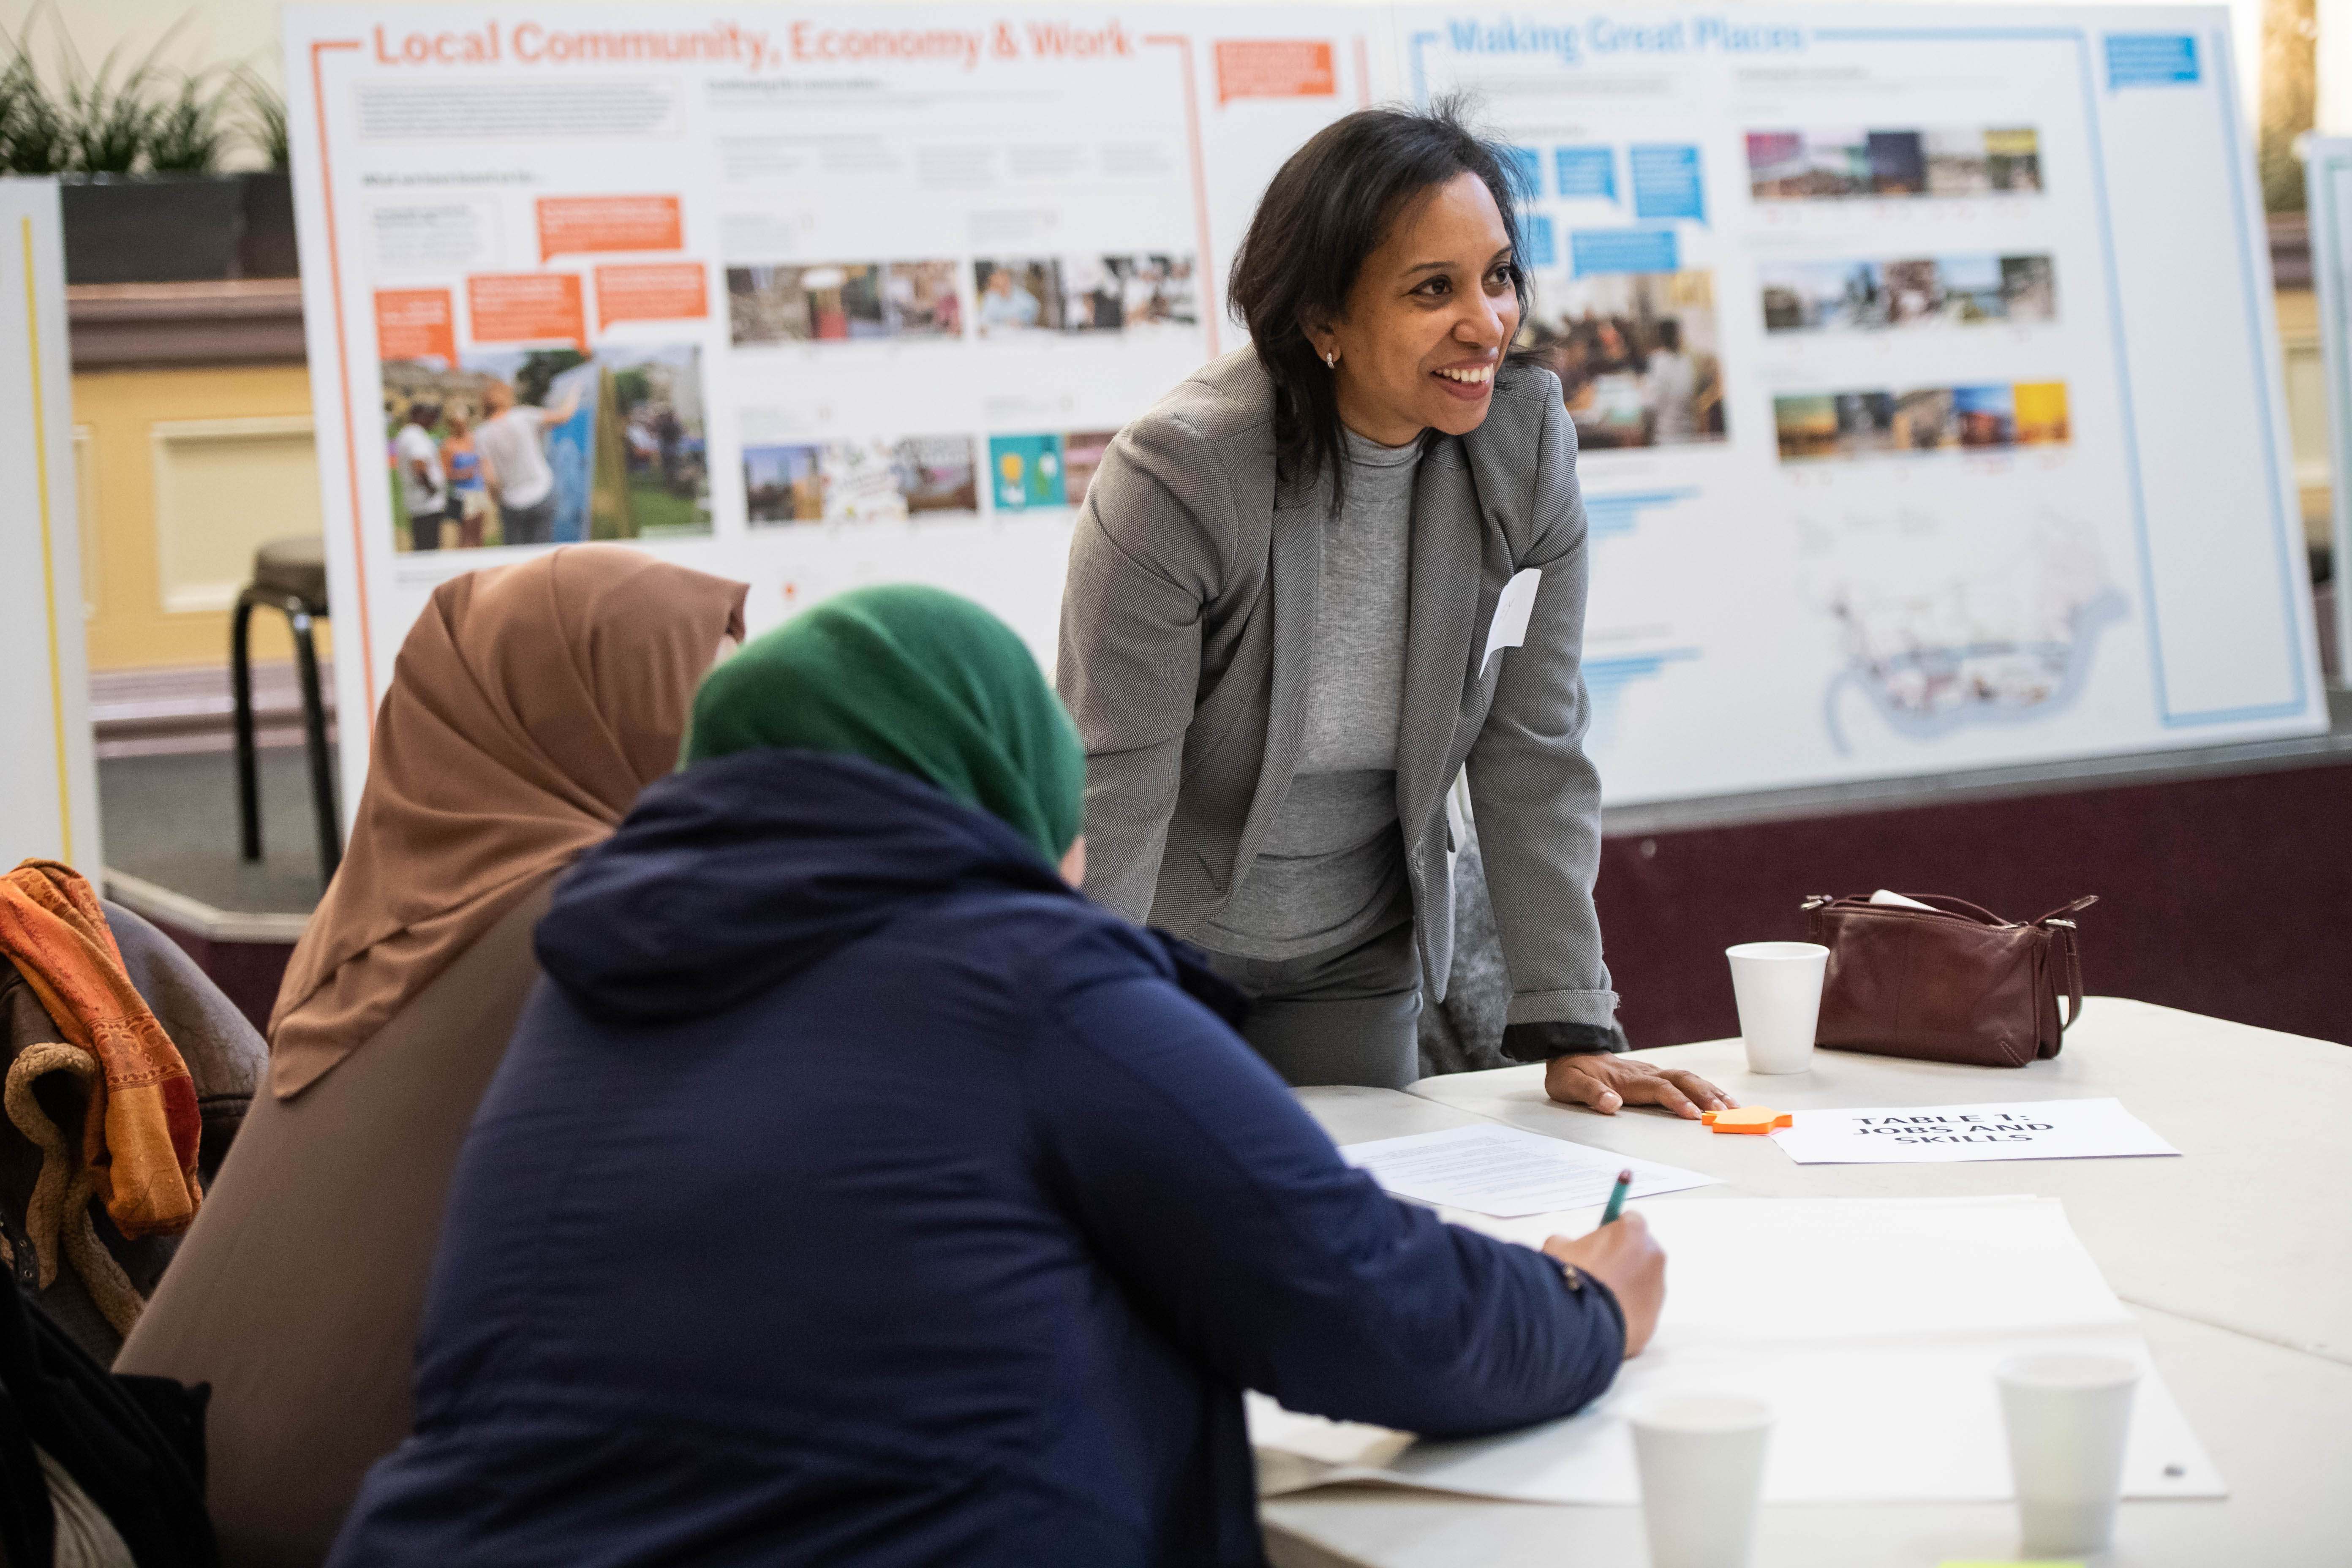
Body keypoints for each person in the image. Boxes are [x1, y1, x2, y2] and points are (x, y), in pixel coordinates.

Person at [324, 585, 1665, 1568]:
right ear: (996, 772)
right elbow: (1357, 1290)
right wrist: (1575, 1301)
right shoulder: (1025, 978)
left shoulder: (592, 994)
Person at [1057, 103, 1735, 1112]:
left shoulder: (1524, 453)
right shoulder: (1186, 473)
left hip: (1355, 949)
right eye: (1433, 290)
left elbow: (1533, 748)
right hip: (1167, 950)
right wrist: (1075, 1022)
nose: (1487, 322)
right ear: (1323, 318)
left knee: (1357, 1226)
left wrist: (1569, 1020)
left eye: (1498, 276)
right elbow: (1114, 777)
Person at [114, 547, 748, 1568]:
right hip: (342, 1525)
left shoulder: (396, 898)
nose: (738, 752)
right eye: (703, 704)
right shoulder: (587, 914)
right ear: (585, 710)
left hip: (162, 1470)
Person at [476, 374, 582, 547]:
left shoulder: (482, 434)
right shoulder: (523, 417)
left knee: (516, 560)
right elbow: (564, 416)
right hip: (541, 491)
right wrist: (575, 392)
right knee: (541, 556)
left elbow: (490, 479)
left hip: (511, 501)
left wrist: (499, 500)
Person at [390, 402, 447, 552]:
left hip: (418, 502)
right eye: (431, 417)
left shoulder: (407, 434)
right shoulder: (416, 436)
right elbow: (419, 464)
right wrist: (431, 489)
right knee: (429, 550)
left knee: (422, 547)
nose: (434, 421)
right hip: (427, 504)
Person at [438, 405, 489, 548]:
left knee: (479, 534)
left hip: (478, 491)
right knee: (465, 536)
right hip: (463, 495)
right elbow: (446, 474)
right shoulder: (448, 445)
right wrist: (463, 474)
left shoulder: (474, 439)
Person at [1643, 318, 1699, 443]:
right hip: (1689, 433)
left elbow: (1650, 404)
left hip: (1666, 436)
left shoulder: (1657, 362)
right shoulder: (1687, 362)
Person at [978, 263, 1041, 332]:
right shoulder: (991, 297)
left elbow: (1034, 307)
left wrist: (1022, 321)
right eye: (993, 279)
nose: (994, 281)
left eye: (998, 277)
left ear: (1006, 278)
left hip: (1021, 333)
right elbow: (984, 317)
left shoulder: (1021, 296)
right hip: (998, 335)